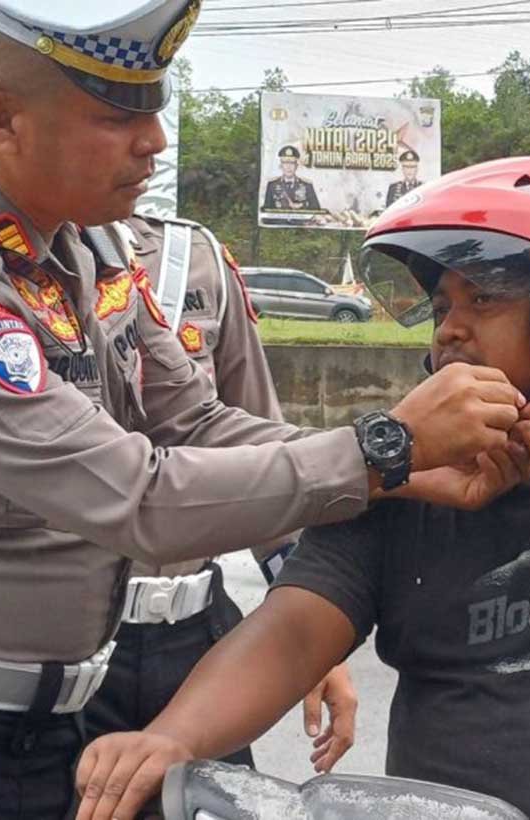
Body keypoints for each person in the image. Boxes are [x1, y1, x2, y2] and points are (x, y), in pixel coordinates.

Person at [0, 2, 526, 818]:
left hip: (55, 725)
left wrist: (409, 469)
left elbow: (197, 425)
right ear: (3, 120)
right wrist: (385, 448)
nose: (155, 143)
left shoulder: (83, 246)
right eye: (114, 117)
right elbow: (138, 499)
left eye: (154, 110)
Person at [71, 156, 530, 820]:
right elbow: (294, 629)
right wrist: (172, 736)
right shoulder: (410, 478)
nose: (448, 331)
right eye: (443, 306)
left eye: (482, 300)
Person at [85, 211, 357, 772]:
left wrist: (318, 623)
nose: (145, 143)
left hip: (192, 637)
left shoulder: (194, 256)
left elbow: (256, 444)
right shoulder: (7, 266)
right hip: (70, 647)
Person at [262, 145, 323, 212]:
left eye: (292, 163)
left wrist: (302, 205)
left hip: (300, 222)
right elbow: (266, 211)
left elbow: (316, 210)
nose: (288, 167)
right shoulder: (272, 185)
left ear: (296, 166)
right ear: (281, 166)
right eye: (285, 163)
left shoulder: (307, 185)